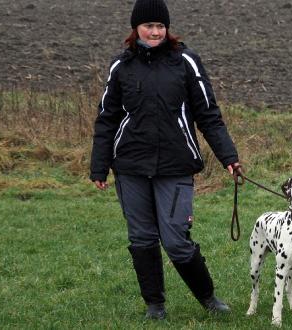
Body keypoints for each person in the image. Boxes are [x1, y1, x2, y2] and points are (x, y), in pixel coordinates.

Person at [89, 0, 241, 320]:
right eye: (149, 26)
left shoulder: (186, 61)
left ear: (167, 28)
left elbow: (208, 115)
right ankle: (155, 306)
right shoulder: (121, 66)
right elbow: (107, 118)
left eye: (161, 26)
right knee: (142, 238)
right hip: (130, 165)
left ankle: (209, 298)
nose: (155, 31)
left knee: (176, 240)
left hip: (175, 165)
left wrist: (228, 156)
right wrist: (99, 165)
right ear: (136, 28)